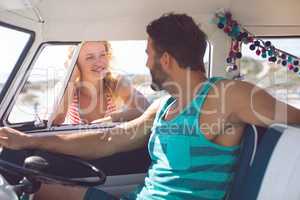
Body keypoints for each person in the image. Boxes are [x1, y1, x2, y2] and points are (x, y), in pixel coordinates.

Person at [0, 13, 300, 200]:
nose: (145, 61)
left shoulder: (228, 94)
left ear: (165, 59)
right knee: (39, 190)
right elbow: (109, 139)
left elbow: (294, 119)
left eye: (148, 53)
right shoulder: (164, 106)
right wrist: (29, 140)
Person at [53, 41, 150, 125]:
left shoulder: (116, 83)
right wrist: (71, 76)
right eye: (90, 57)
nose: (99, 62)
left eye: (102, 55)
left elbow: (146, 109)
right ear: (75, 63)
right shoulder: (69, 87)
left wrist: (106, 121)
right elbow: (56, 120)